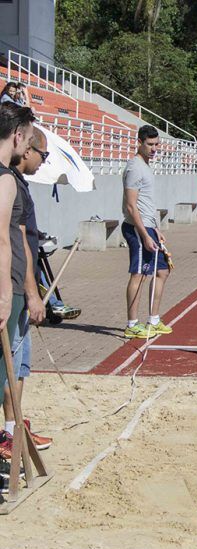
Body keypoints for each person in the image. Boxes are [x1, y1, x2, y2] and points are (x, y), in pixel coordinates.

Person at [2, 127, 52, 457]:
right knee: (10, 366)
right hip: (15, 286)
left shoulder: (18, 184)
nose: (44, 162)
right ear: (25, 146)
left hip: (19, 282)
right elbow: (12, 240)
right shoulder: (8, 182)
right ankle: (10, 430)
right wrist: (30, 292)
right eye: (43, 155)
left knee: (18, 367)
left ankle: (13, 427)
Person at [0, 103, 36, 457]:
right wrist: (6, 295)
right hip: (5, 286)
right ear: (16, 136)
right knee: (3, 373)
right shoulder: (6, 179)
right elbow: (4, 239)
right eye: (26, 140)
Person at [121, 125, 172, 339]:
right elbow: (131, 205)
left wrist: (156, 229)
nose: (154, 149)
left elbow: (146, 202)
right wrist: (144, 234)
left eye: (156, 144)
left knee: (162, 271)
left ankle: (153, 319)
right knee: (139, 274)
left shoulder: (146, 166)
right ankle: (132, 324)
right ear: (140, 142)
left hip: (149, 227)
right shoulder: (134, 168)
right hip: (137, 228)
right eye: (149, 144)